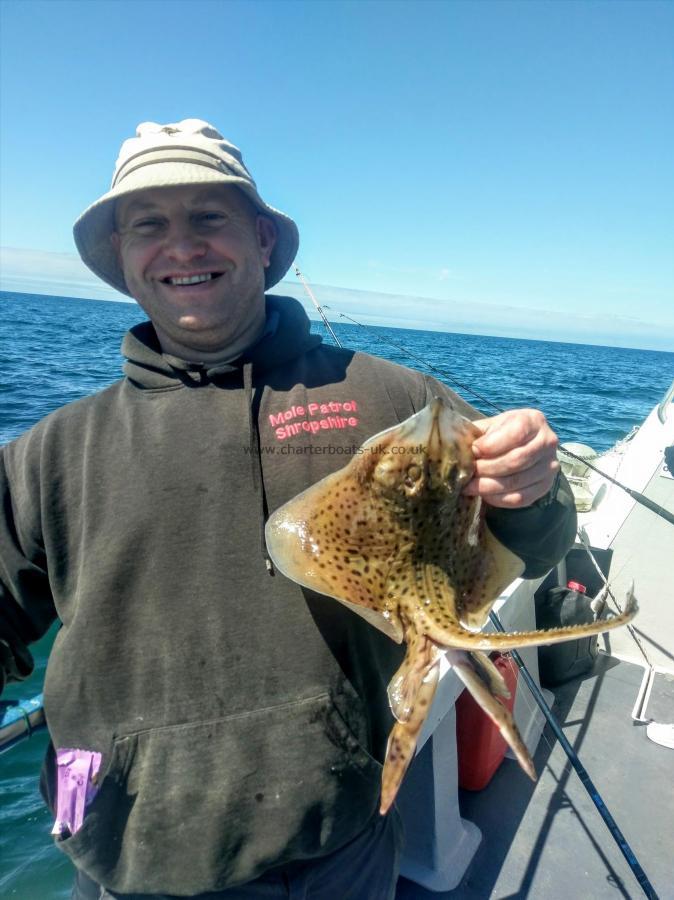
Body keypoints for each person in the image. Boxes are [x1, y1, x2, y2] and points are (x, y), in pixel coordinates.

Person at [0, 119, 576, 900]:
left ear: (263, 240)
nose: (182, 246)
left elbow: (529, 542)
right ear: (123, 258)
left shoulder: (397, 400)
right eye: (149, 226)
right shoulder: (48, 452)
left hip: (340, 832)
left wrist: (532, 482)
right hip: (127, 848)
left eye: (210, 217)